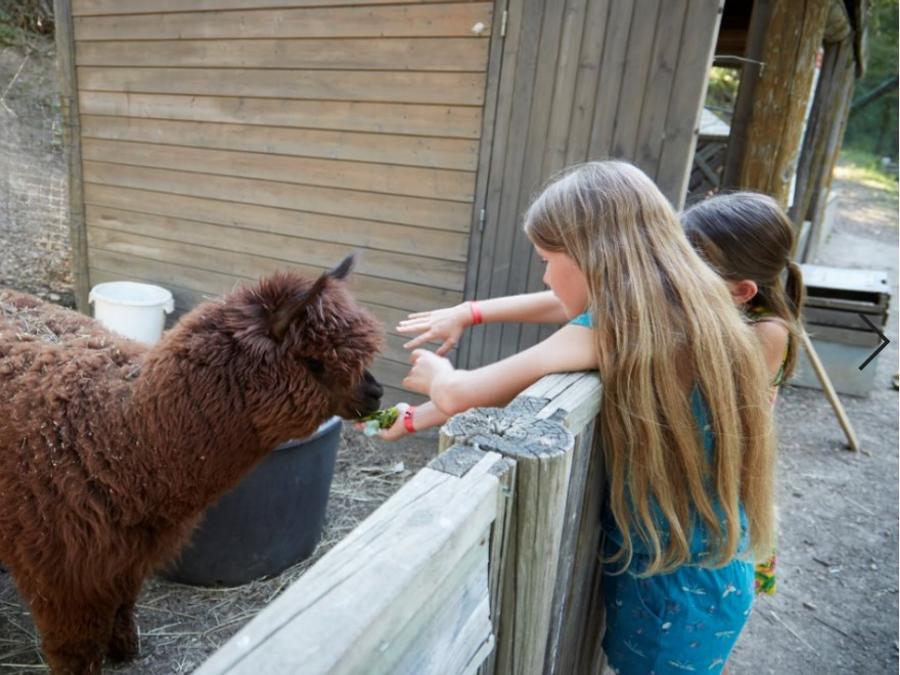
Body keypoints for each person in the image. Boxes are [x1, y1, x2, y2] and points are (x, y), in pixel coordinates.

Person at [372, 161, 776, 674]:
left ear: (595, 258)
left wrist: (437, 374)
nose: (544, 275)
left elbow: (461, 393)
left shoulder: (611, 331)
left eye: (547, 259)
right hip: (710, 570)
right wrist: (418, 411)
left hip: (667, 591)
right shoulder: (694, 309)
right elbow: (558, 304)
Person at [682, 191, 805, 600]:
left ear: (741, 291)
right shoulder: (724, 312)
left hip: (727, 478)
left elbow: (707, 379)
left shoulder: (769, 331)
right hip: (706, 472)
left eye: (689, 267)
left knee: (716, 592)